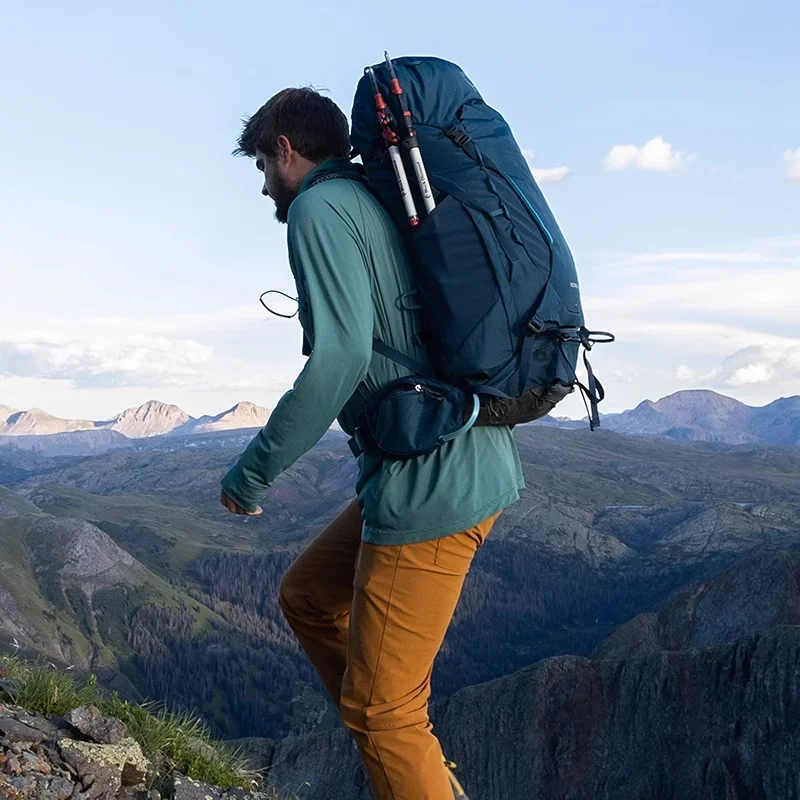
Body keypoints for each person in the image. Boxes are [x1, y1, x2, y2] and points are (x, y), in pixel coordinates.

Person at [220, 87, 525, 800]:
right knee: (309, 596)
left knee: (384, 712)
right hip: (447, 457)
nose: (265, 182)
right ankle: (399, 755)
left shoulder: (317, 210)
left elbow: (339, 360)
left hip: (434, 479)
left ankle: (395, 748)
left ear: (287, 152)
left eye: (263, 164)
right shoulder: (366, 196)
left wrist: (252, 473)